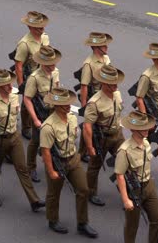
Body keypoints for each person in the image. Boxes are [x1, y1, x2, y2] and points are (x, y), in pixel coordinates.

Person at [0, 69, 45, 212]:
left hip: (14, 136)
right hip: (0, 140)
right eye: (6, 85)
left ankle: (34, 200)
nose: (11, 87)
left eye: (10, 83)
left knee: (22, 168)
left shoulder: (14, 97)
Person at [39, 87, 98, 237]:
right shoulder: (48, 126)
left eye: (69, 103)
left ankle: (82, 223)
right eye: (65, 104)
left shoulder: (71, 117)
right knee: (54, 193)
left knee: (83, 189)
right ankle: (53, 220)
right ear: (56, 106)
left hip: (73, 158)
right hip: (57, 162)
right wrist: (51, 170)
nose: (68, 105)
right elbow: (45, 151)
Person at [114, 110, 158, 243]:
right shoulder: (125, 151)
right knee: (132, 226)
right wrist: (125, 200)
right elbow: (119, 176)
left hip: (148, 185)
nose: (147, 130)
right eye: (143, 128)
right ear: (133, 129)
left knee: (157, 221)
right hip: (134, 190)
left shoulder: (146, 143)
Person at [83, 64, 125, 206]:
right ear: (103, 83)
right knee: (95, 166)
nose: (115, 86)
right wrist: (90, 147)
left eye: (116, 83)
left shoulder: (117, 95)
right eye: (111, 84)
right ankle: (90, 192)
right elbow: (87, 126)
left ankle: (126, 190)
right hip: (102, 137)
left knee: (126, 159)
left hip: (117, 133)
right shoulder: (94, 103)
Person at [23, 45, 60, 183]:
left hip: (52, 111)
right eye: (50, 64)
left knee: (55, 138)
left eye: (54, 63)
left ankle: (52, 161)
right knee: (36, 140)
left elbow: (57, 90)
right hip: (39, 112)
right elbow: (27, 99)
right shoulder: (34, 78)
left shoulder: (55, 72)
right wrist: (35, 119)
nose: (53, 66)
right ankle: (30, 167)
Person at [13, 11, 50, 140]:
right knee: (27, 100)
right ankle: (26, 127)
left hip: (43, 73)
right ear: (30, 27)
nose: (42, 29)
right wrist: (21, 84)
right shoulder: (25, 44)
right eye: (39, 27)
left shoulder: (45, 37)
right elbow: (18, 65)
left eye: (42, 26)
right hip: (30, 74)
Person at [78, 32, 113, 163]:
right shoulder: (89, 64)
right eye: (104, 45)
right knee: (90, 125)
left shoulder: (106, 59)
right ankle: (83, 151)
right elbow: (84, 86)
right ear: (96, 47)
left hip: (105, 95)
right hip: (94, 97)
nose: (107, 47)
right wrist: (83, 106)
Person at [134, 42, 158, 123]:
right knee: (153, 133)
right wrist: (144, 118)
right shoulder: (147, 76)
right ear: (154, 59)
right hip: (153, 109)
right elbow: (139, 98)